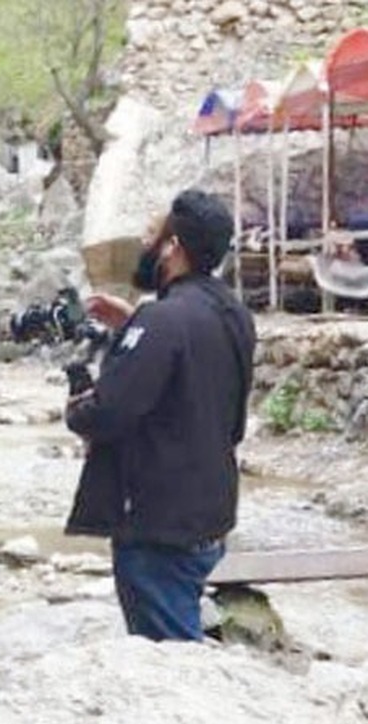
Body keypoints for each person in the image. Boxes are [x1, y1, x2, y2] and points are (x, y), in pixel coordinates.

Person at [64, 189, 256, 642]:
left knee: (172, 661)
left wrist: (77, 405)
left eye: (151, 235)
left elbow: (107, 413)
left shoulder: (163, 320)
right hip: (208, 513)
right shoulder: (233, 313)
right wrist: (134, 328)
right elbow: (198, 382)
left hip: (158, 525)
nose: (144, 245)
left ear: (173, 248)